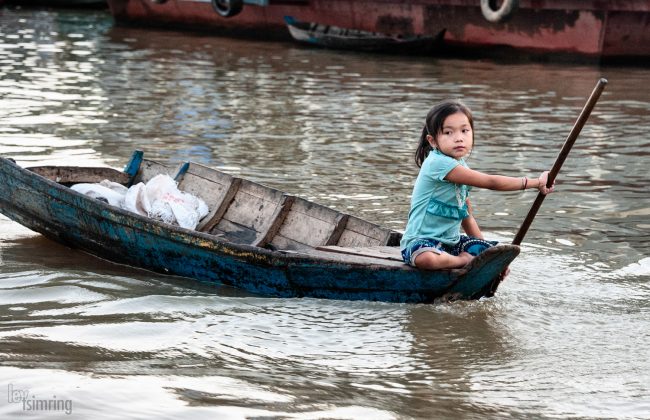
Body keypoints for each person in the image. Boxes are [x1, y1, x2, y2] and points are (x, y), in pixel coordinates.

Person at [400, 99, 555, 270]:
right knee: (427, 259)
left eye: (464, 131)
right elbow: (492, 182)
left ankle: (467, 261)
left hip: (451, 244)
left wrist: (492, 261)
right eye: (448, 133)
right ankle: (462, 261)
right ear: (433, 141)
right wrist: (535, 183)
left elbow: (467, 217)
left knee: (494, 254)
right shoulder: (438, 163)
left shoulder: (461, 167)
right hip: (420, 243)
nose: (459, 138)